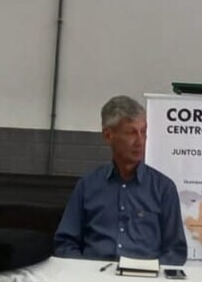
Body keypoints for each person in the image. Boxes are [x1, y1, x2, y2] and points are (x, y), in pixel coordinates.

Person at [54, 95, 187, 265]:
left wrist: (152, 271)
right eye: (131, 132)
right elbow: (65, 242)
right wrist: (83, 270)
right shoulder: (88, 185)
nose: (140, 141)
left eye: (143, 131)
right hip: (93, 274)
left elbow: (175, 251)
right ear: (108, 136)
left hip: (144, 276)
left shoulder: (163, 188)